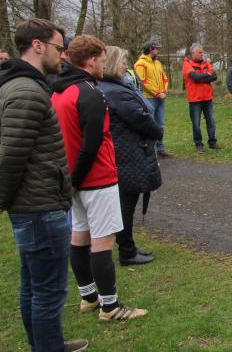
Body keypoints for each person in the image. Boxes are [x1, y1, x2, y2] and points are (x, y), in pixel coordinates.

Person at [0, 19, 89, 351]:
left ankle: (45, 344)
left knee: (33, 286)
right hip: (39, 207)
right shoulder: (25, 91)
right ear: (37, 46)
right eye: (58, 47)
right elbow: (10, 157)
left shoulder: (24, 85)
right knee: (48, 292)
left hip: (34, 204)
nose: (62, 55)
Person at [51, 35, 147, 321]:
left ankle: (88, 296)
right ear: (91, 60)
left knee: (79, 236)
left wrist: (71, 181)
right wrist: (78, 179)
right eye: (103, 59)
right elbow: (91, 142)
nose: (105, 64)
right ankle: (110, 306)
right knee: (102, 241)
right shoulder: (88, 93)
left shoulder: (59, 90)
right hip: (95, 178)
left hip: (73, 176)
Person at [98, 46, 162, 266]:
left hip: (127, 150)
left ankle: (129, 246)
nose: (126, 66)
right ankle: (126, 250)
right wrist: (156, 131)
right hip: (126, 152)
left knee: (126, 202)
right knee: (125, 203)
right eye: (123, 62)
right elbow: (141, 118)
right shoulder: (115, 92)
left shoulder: (115, 88)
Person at [134, 41, 170, 157]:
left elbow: (164, 78)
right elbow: (143, 82)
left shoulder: (158, 63)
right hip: (149, 98)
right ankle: (150, 150)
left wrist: (163, 91)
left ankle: (160, 149)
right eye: (156, 49)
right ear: (150, 50)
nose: (157, 51)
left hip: (161, 97)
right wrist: (157, 93)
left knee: (160, 124)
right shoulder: (140, 64)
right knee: (150, 124)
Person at [183, 43, 218, 152]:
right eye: (200, 52)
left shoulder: (206, 62)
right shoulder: (187, 64)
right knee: (196, 123)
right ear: (193, 53)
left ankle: (212, 143)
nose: (202, 54)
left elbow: (214, 76)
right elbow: (194, 77)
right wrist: (207, 75)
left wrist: (202, 77)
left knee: (211, 122)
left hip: (207, 97)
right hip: (195, 99)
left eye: (202, 52)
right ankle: (198, 144)